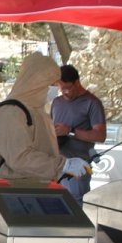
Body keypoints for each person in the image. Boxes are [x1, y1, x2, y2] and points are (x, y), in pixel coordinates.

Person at [0, 53, 90, 183]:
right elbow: (20, 159)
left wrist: (61, 167)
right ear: (37, 84)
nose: (55, 89)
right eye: (51, 84)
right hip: (12, 191)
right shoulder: (11, 112)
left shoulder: (36, 111)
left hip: (33, 187)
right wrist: (62, 165)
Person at [51, 65, 106, 205]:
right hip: (56, 166)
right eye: (60, 88)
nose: (64, 92)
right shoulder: (57, 102)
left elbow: (100, 135)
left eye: (67, 88)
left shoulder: (92, 103)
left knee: (76, 208)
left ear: (77, 82)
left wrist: (70, 131)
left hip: (78, 169)